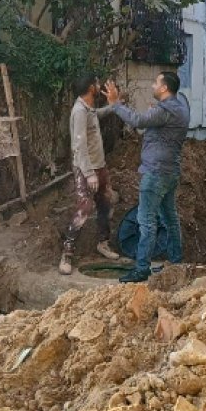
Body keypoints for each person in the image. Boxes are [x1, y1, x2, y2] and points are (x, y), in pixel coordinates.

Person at [101, 72, 190, 283]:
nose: (152, 86)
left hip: (156, 174)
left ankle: (141, 269)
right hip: (170, 172)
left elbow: (137, 121)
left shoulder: (166, 110)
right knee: (170, 219)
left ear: (164, 88)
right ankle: (176, 263)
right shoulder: (180, 107)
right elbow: (157, 124)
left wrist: (115, 103)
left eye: (155, 83)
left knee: (146, 221)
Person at [60, 75, 120, 276]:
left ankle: (103, 244)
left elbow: (98, 115)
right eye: (95, 82)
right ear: (90, 87)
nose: (98, 85)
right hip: (86, 169)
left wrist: (115, 105)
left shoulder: (89, 109)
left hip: (99, 166)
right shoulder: (79, 112)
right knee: (84, 207)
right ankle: (67, 253)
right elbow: (79, 145)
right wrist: (88, 174)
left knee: (106, 202)